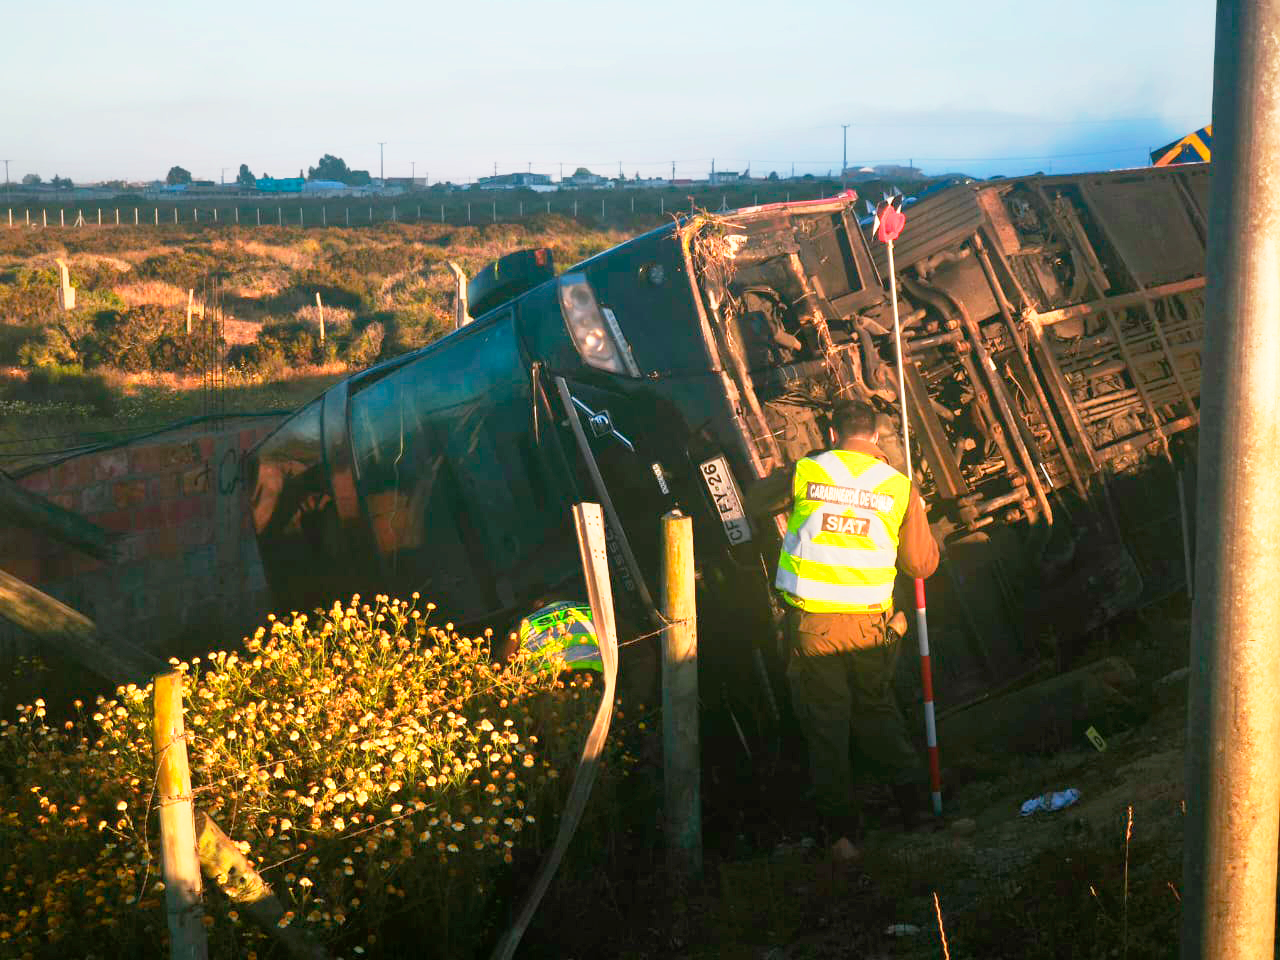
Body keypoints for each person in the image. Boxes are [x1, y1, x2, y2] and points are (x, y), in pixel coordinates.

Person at [745, 401, 939, 861]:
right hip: (872, 626)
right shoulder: (899, 487)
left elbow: (753, 502)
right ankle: (917, 813)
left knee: (826, 727)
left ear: (833, 430)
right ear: (875, 435)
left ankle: (843, 836)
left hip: (815, 628)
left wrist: (796, 471)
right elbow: (919, 565)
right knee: (878, 714)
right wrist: (921, 511)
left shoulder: (810, 470)